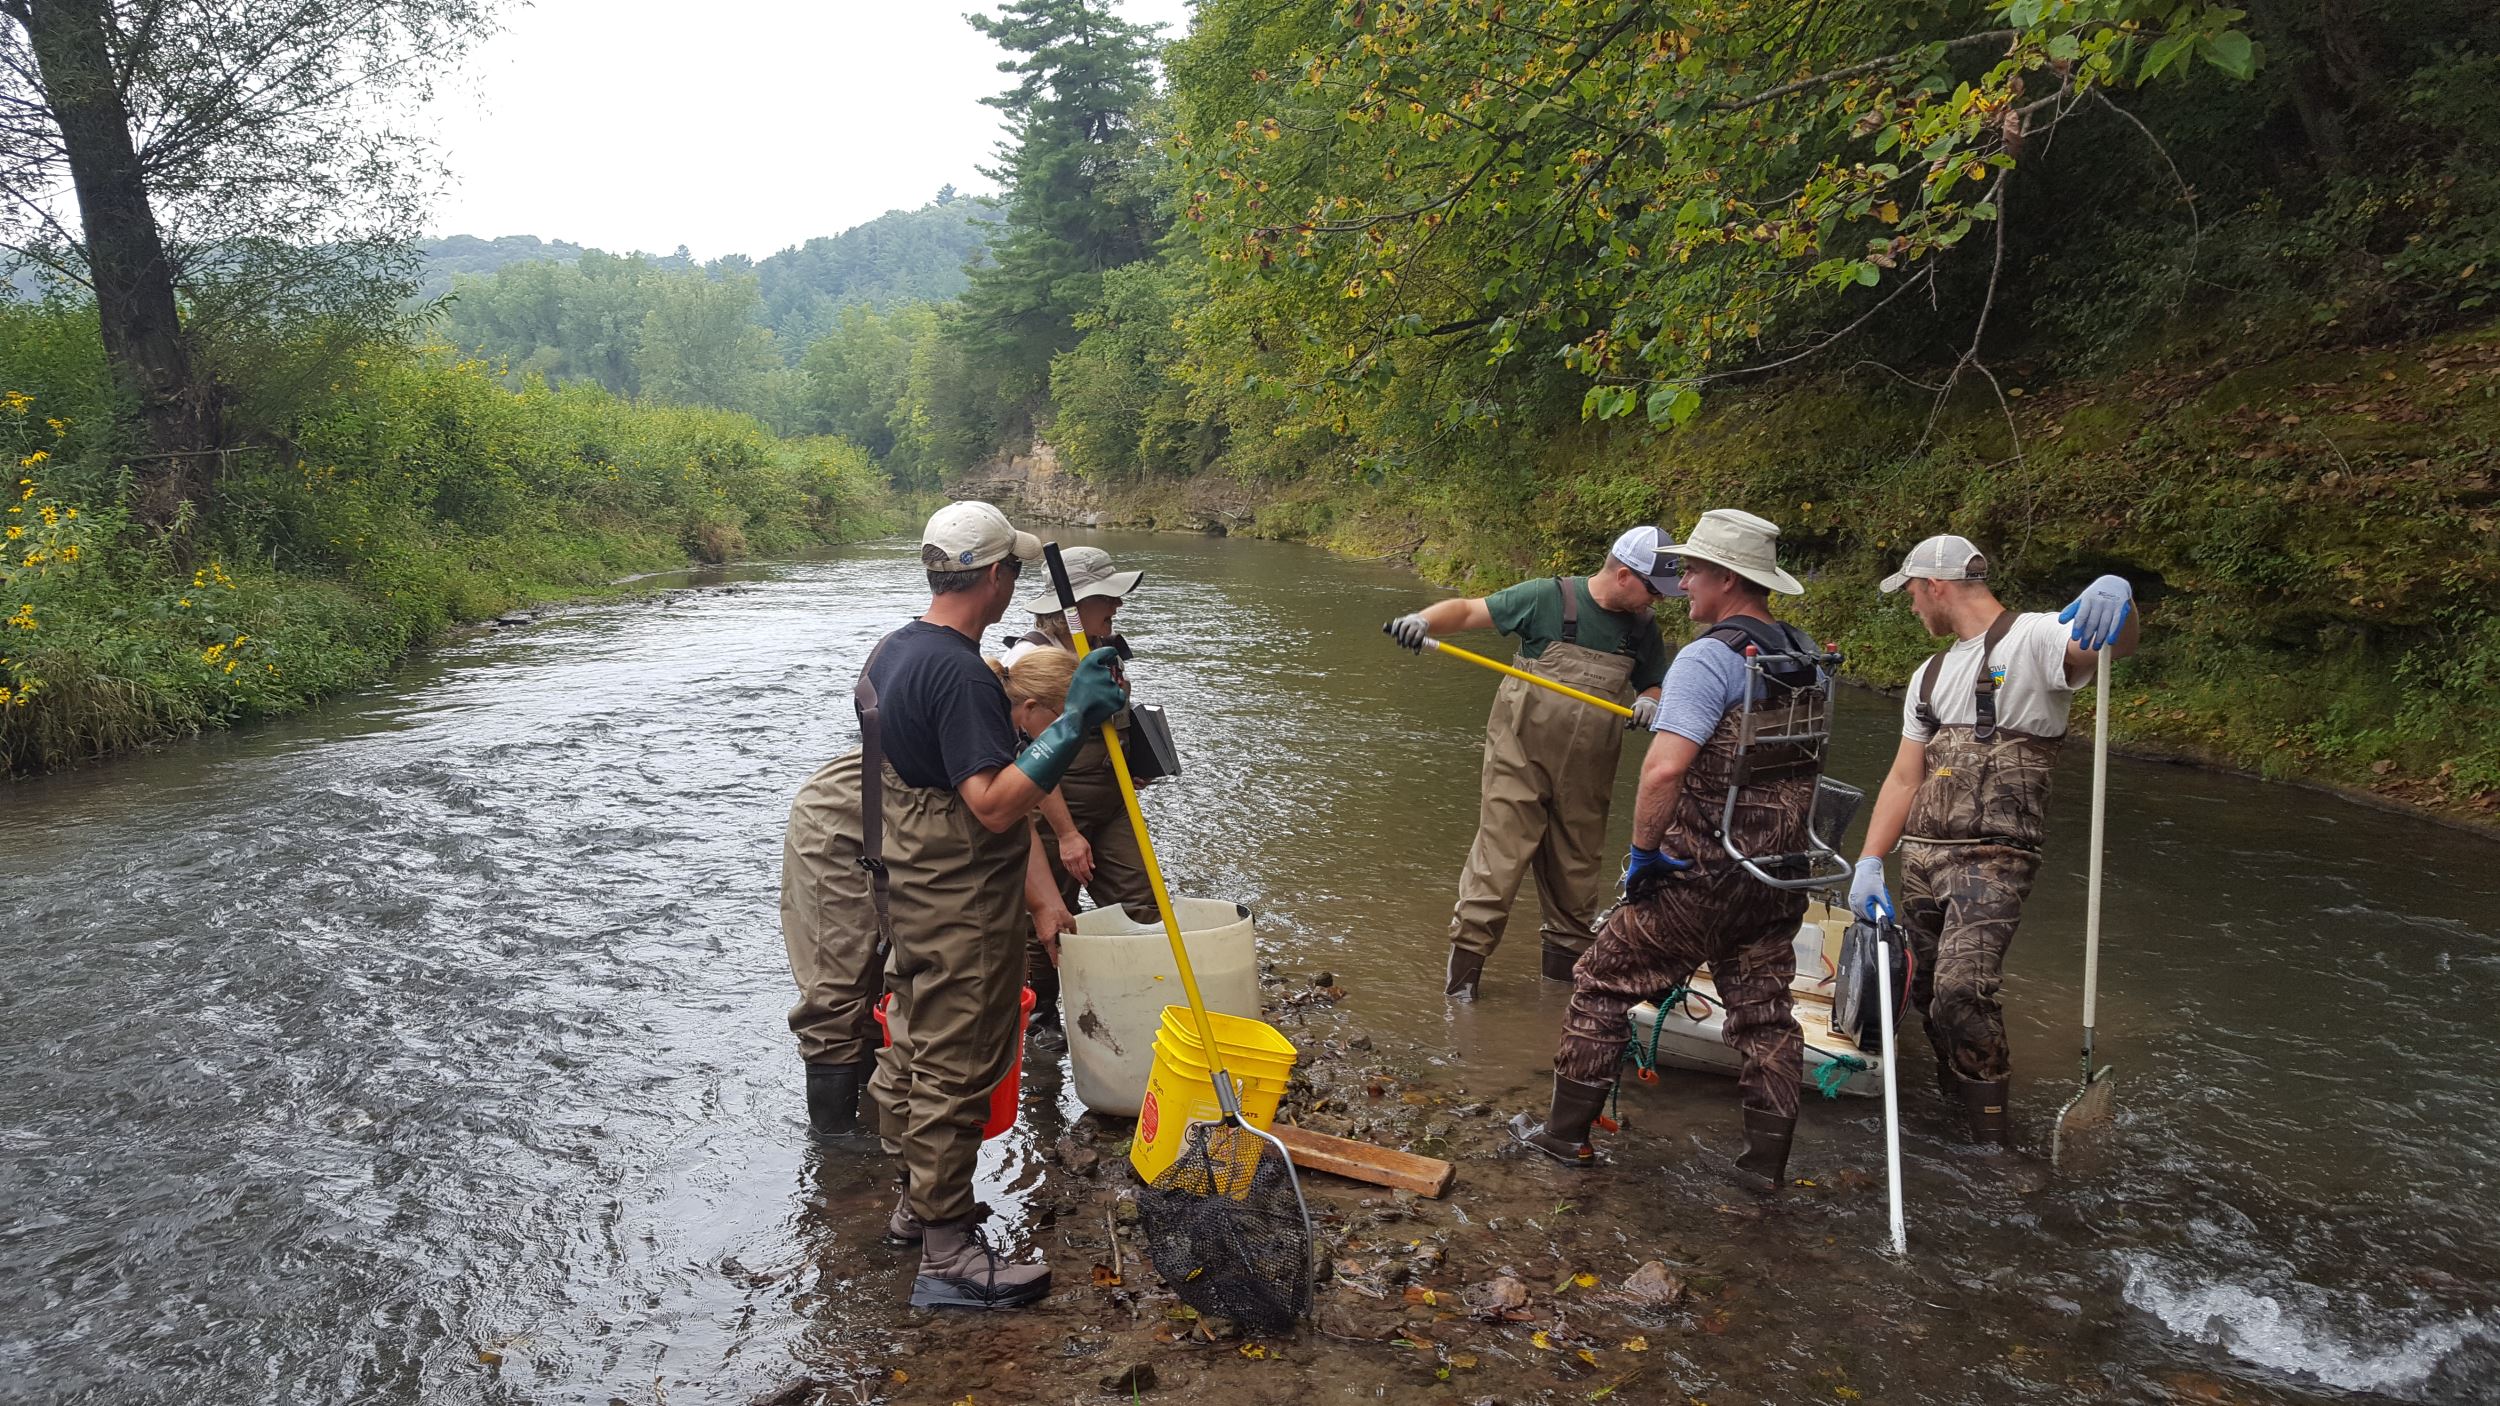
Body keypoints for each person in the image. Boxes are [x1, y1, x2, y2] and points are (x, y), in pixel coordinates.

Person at [788, 501, 1124, 1311]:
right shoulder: (963, 673)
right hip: (958, 890)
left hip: (907, 876)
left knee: (913, 1041)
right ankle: (948, 1252)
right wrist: (1075, 719)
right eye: (1012, 571)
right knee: (958, 1058)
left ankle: (914, 1207)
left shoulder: (895, 650)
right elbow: (995, 804)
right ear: (999, 578)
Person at [1509, 510, 1827, 1194]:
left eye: (1693, 571)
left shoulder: (1709, 659)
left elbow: (1661, 771)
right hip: (1779, 876)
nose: (1682, 585)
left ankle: (1565, 1145)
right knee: (1766, 1016)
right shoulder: (1806, 658)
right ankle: (1763, 1172)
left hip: (1700, 872)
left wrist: (1643, 855)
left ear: (1726, 578)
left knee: (1599, 983)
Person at [1846, 536, 2139, 1147]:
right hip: (1922, 857)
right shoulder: (1927, 675)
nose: (1911, 608)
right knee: (1925, 991)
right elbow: (1905, 776)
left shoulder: (2032, 638)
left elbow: (2100, 646)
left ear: (1936, 586)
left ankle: (1992, 1140)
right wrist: (1870, 860)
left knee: (1963, 989)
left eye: (1911, 594)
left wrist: (2123, 602)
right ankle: (1957, 1107)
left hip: (1994, 857)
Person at [1384, 527, 1674, 998]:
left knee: (1576, 886)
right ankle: (1459, 998)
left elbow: (1653, 683)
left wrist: (1650, 701)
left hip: (1588, 775)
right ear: (1624, 576)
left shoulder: (1642, 628)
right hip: (1518, 761)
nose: (1657, 602)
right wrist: (1422, 620)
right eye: (1654, 591)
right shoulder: (1547, 597)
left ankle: (1558, 1000)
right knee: (1494, 871)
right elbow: (1468, 610)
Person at [1003, 545, 1156, 1032]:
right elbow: (1029, 759)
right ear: (1074, 601)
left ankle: (1139, 1002)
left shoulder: (1100, 646)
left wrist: (1135, 766)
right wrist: (1067, 833)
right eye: (1108, 597)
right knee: (1049, 918)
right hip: (1053, 813)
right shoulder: (1029, 661)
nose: (1117, 606)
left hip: (1112, 805)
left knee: (1143, 905)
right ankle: (1044, 1023)